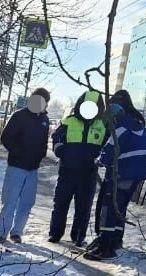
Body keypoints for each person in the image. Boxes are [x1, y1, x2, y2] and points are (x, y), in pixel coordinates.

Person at [86, 91, 146, 261]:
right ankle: (115, 241)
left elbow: (108, 152)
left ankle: (105, 248)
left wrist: (100, 160)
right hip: (136, 175)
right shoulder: (140, 125)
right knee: (119, 208)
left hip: (121, 173)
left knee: (109, 207)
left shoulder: (121, 127)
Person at [48, 89, 107, 247]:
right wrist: (60, 150)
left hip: (88, 174)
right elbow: (56, 137)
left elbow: (109, 144)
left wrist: (102, 158)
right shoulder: (69, 121)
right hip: (67, 171)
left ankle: (79, 236)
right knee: (60, 204)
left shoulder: (102, 125)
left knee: (83, 208)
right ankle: (55, 233)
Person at [0, 87, 50, 245]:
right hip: (16, 167)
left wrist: (41, 154)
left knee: (26, 203)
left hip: (33, 169)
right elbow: (6, 138)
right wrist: (18, 152)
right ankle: (1, 233)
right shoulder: (19, 116)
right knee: (10, 201)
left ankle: (17, 233)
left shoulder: (44, 120)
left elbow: (44, 142)